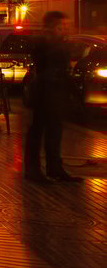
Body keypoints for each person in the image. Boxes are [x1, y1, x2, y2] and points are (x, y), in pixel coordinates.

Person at [24, 11, 82, 183]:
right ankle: (33, 170)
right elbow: (45, 62)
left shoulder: (59, 41)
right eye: (61, 26)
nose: (64, 28)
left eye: (65, 25)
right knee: (38, 130)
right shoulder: (44, 41)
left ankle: (54, 168)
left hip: (56, 90)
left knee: (54, 131)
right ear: (50, 26)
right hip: (44, 91)